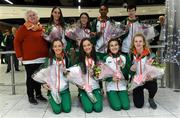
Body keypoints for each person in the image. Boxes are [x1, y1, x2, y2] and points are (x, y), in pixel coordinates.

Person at [14, 9, 49, 105]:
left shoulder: (41, 28)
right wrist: (19, 55)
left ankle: (38, 94)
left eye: (34, 15)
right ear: (26, 18)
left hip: (42, 58)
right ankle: (30, 95)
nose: (32, 16)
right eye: (30, 15)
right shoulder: (23, 28)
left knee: (39, 77)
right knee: (30, 78)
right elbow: (17, 41)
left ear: (37, 16)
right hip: (29, 59)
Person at [39, 39, 71, 114]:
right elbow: (42, 74)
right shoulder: (49, 60)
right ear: (52, 48)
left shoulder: (67, 59)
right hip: (53, 90)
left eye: (59, 46)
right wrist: (43, 84)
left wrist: (67, 72)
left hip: (64, 90)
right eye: (55, 46)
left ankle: (65, 96)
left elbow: (72, 73)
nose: (57, 48)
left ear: (62, 47)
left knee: (67, 109)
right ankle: (50, 95)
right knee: (57, 110)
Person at [130, 33, 158, 109]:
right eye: (136, 41)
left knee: (153, 85)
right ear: (133, 43)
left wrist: (152, 77)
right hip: (137, 81)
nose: (138, 43)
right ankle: (139, 93)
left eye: (140, 41)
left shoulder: (150, 55)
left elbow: (156, 70)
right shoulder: (130, 55)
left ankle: (151, 98)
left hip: (147, 80)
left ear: (144, 43)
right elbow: (129, 73)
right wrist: (132, 70)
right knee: (138, 105)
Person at [104, 38, 131, 111]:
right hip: (111, 87)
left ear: (119, 46)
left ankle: (122, 95)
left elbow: (129, 73)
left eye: (116, 45)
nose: (114, 47)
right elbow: (102, 75)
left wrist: (122, 68)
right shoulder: (106, 58)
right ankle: (110, 95)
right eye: (111, 46)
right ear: (109, 48)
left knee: (126, 106)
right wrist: (111, 79)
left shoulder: (124, 57)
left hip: (122, 85)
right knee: (117, 107)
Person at [78, 38, 103, 113]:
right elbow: (75, 76)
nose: (87, 47)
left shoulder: (97, 58)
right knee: (88, 109)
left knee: (98, 109)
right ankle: (81, 96)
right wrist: (80, 86)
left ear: (92, 45)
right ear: (82, 48)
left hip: (95, 88)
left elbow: (101, 76)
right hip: (84, 89)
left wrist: (95, 73)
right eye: (84, 46)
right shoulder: (79, 59)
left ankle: (96, 94)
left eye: (88, 45)